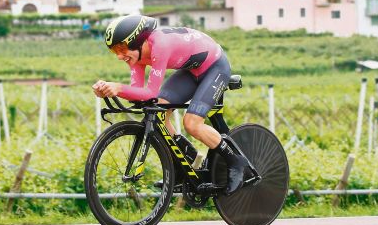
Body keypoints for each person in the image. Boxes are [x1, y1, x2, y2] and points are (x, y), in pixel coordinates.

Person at [92, 14, 257, 195]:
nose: (119, 56)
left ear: (138, 41)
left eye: (122, 49)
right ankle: (185, 161)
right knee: (159, 115)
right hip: (191, 70)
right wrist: (108, 90)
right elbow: (138, 94)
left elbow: (150, 93)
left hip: (215, 67)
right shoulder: (135, 56)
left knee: (192, 123)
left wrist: (117, 88)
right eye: (114, 51)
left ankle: (236, 162)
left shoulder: (160, 45)